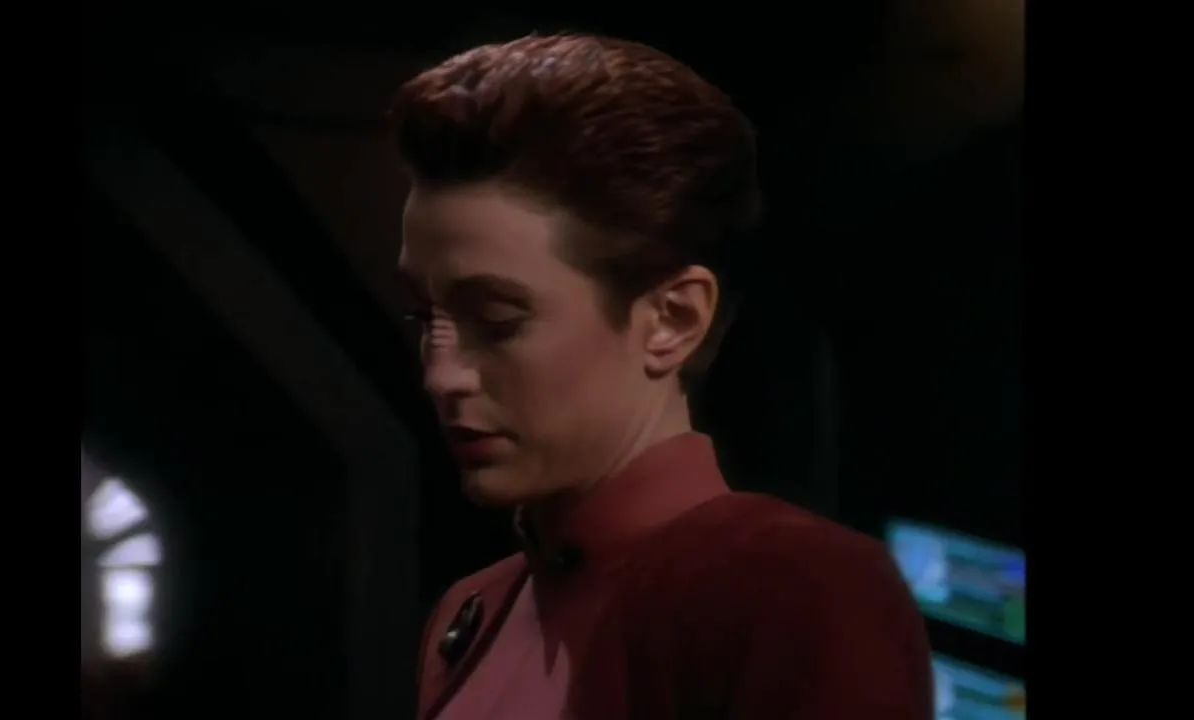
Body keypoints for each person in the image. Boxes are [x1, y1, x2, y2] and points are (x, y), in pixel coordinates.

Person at [392, 33, 933, 720]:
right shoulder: (473, 611)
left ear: (673, 319)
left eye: (498, 322)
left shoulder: (797, 592)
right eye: (424, 318)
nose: (441, 375)